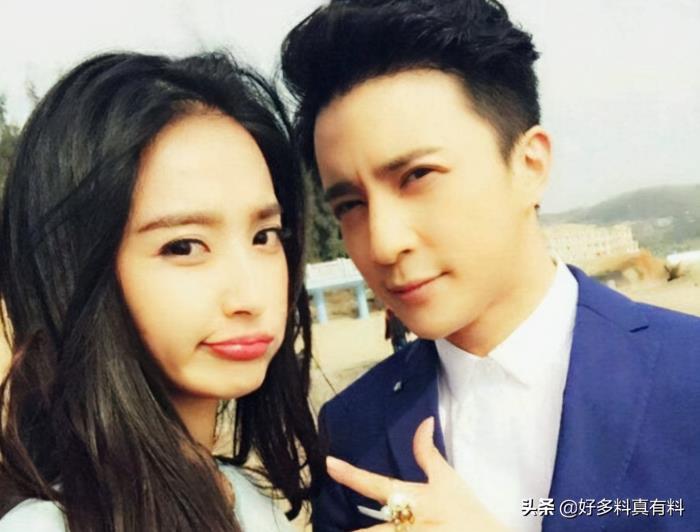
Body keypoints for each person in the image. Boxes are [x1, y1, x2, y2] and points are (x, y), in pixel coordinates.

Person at [281, 0, 700, 530]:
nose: (383, 243)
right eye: (350, 205)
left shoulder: (687, 374)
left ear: (529, 165)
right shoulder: (352, 428)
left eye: (417, 176)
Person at [0, 52, 322, 531]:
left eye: (264, 236)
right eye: (184, 246)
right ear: (73, 268)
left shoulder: (246, 498)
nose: (250, 297)